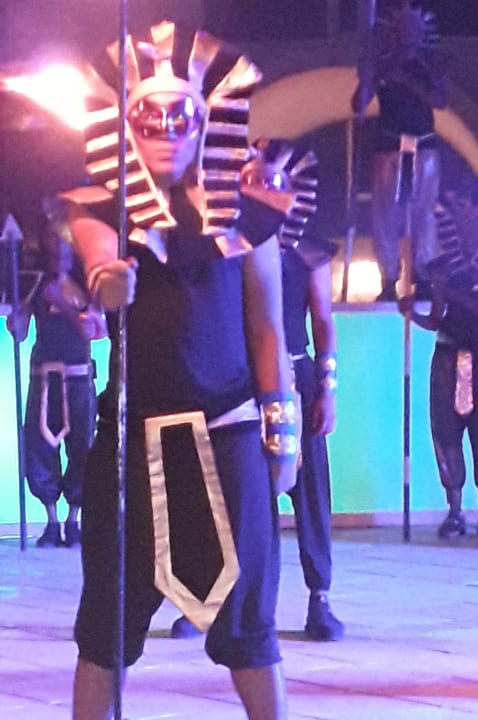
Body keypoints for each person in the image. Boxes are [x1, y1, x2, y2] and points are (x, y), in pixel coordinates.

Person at [60, 21, 300, 720]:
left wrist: (281, 436)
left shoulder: (250, 215)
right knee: (105, 627)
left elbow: (267, 326)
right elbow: (98, 257)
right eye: (149, 118)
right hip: (131, 446)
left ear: (206, 125)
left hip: (229, 440)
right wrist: (107, 280)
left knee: (250, 624)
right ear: (124, 127)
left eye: (179, 118)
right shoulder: (99, 209)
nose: (164, 131)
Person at [171, 140, 344, 642]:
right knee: (223, 493)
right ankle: (204, 601)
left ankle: (320, 598)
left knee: (310, 493)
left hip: (298, 379)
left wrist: (328, 389)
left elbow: (323, 321)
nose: (262, 189)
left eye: (271, 182)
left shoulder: (308, 250)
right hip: (238, 384)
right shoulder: (226, 240)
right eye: (253, 180)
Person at [398, 175, 478, 539]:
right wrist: (411, 312)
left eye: (473, 218)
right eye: (460, 218)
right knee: (446, 430)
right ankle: (454, 510)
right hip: (448, 356)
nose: (468, 226)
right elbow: (437, 320)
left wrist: (457, 295)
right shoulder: (443, 268)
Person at [6, 219, 105, 548]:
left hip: (78, 377)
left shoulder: (87, 284)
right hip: (44, 377)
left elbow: (97, 330)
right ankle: (51, 521)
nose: (59, 248)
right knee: (39, 447)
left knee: (83, 447)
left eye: (64, 240)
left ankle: (73, 520)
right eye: (53, 241)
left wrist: (66, 305)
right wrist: (16, 321)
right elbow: (20, 332)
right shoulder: (35, 283)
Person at [353, 0, 448, 301]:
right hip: (389, 147)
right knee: (384, 216)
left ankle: (423, 275)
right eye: (402, 27)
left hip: (424, 146)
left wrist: (405, 80)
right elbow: (358, 104)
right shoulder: (381, 63)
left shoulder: (432, 63)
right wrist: (367, 79)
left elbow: (440, 101)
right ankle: (389, 278)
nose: (407, 33)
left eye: (412, 27)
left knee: (425, 214)